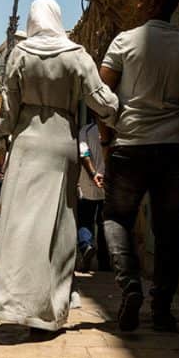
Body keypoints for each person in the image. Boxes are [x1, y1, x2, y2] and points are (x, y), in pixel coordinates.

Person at [0, 0, 119, 340]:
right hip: (62, 143)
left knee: (21, 227)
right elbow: (101, 100)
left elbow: (7, 111)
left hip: (27, 145)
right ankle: (49, 310)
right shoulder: (76, 55)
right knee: (60, 227)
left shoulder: (20, 54)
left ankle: (16, 305)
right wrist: (124, 111)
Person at [99, 0, 179, 334]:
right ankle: (163, 308)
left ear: (153, 3)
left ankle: (130, 285)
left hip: (130, 146)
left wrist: (106, 139)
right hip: (175, 151)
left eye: (142, 1)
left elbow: (102, 95)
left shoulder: (124, 42)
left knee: (116, 219)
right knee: (168, 229)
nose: (138, 7)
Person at [77, 116, 109, 272]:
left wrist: (93, 174)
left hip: (88, 183)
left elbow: (84, 154)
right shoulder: (113, 129)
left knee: (85, 219)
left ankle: (86, 246)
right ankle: (104, 262)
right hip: (108, 182)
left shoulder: (85, 131)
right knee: (104, 222)